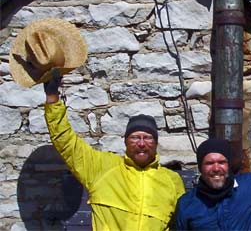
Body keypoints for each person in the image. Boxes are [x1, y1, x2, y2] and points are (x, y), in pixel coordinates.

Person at [9, 18, 185, 231]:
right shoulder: (102, 167)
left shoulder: (172, 181)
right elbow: (66, 143)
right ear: (125, 142)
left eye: (147, 137)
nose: (141, 143)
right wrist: (52, 97)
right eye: (135, 137)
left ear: (156, 143)